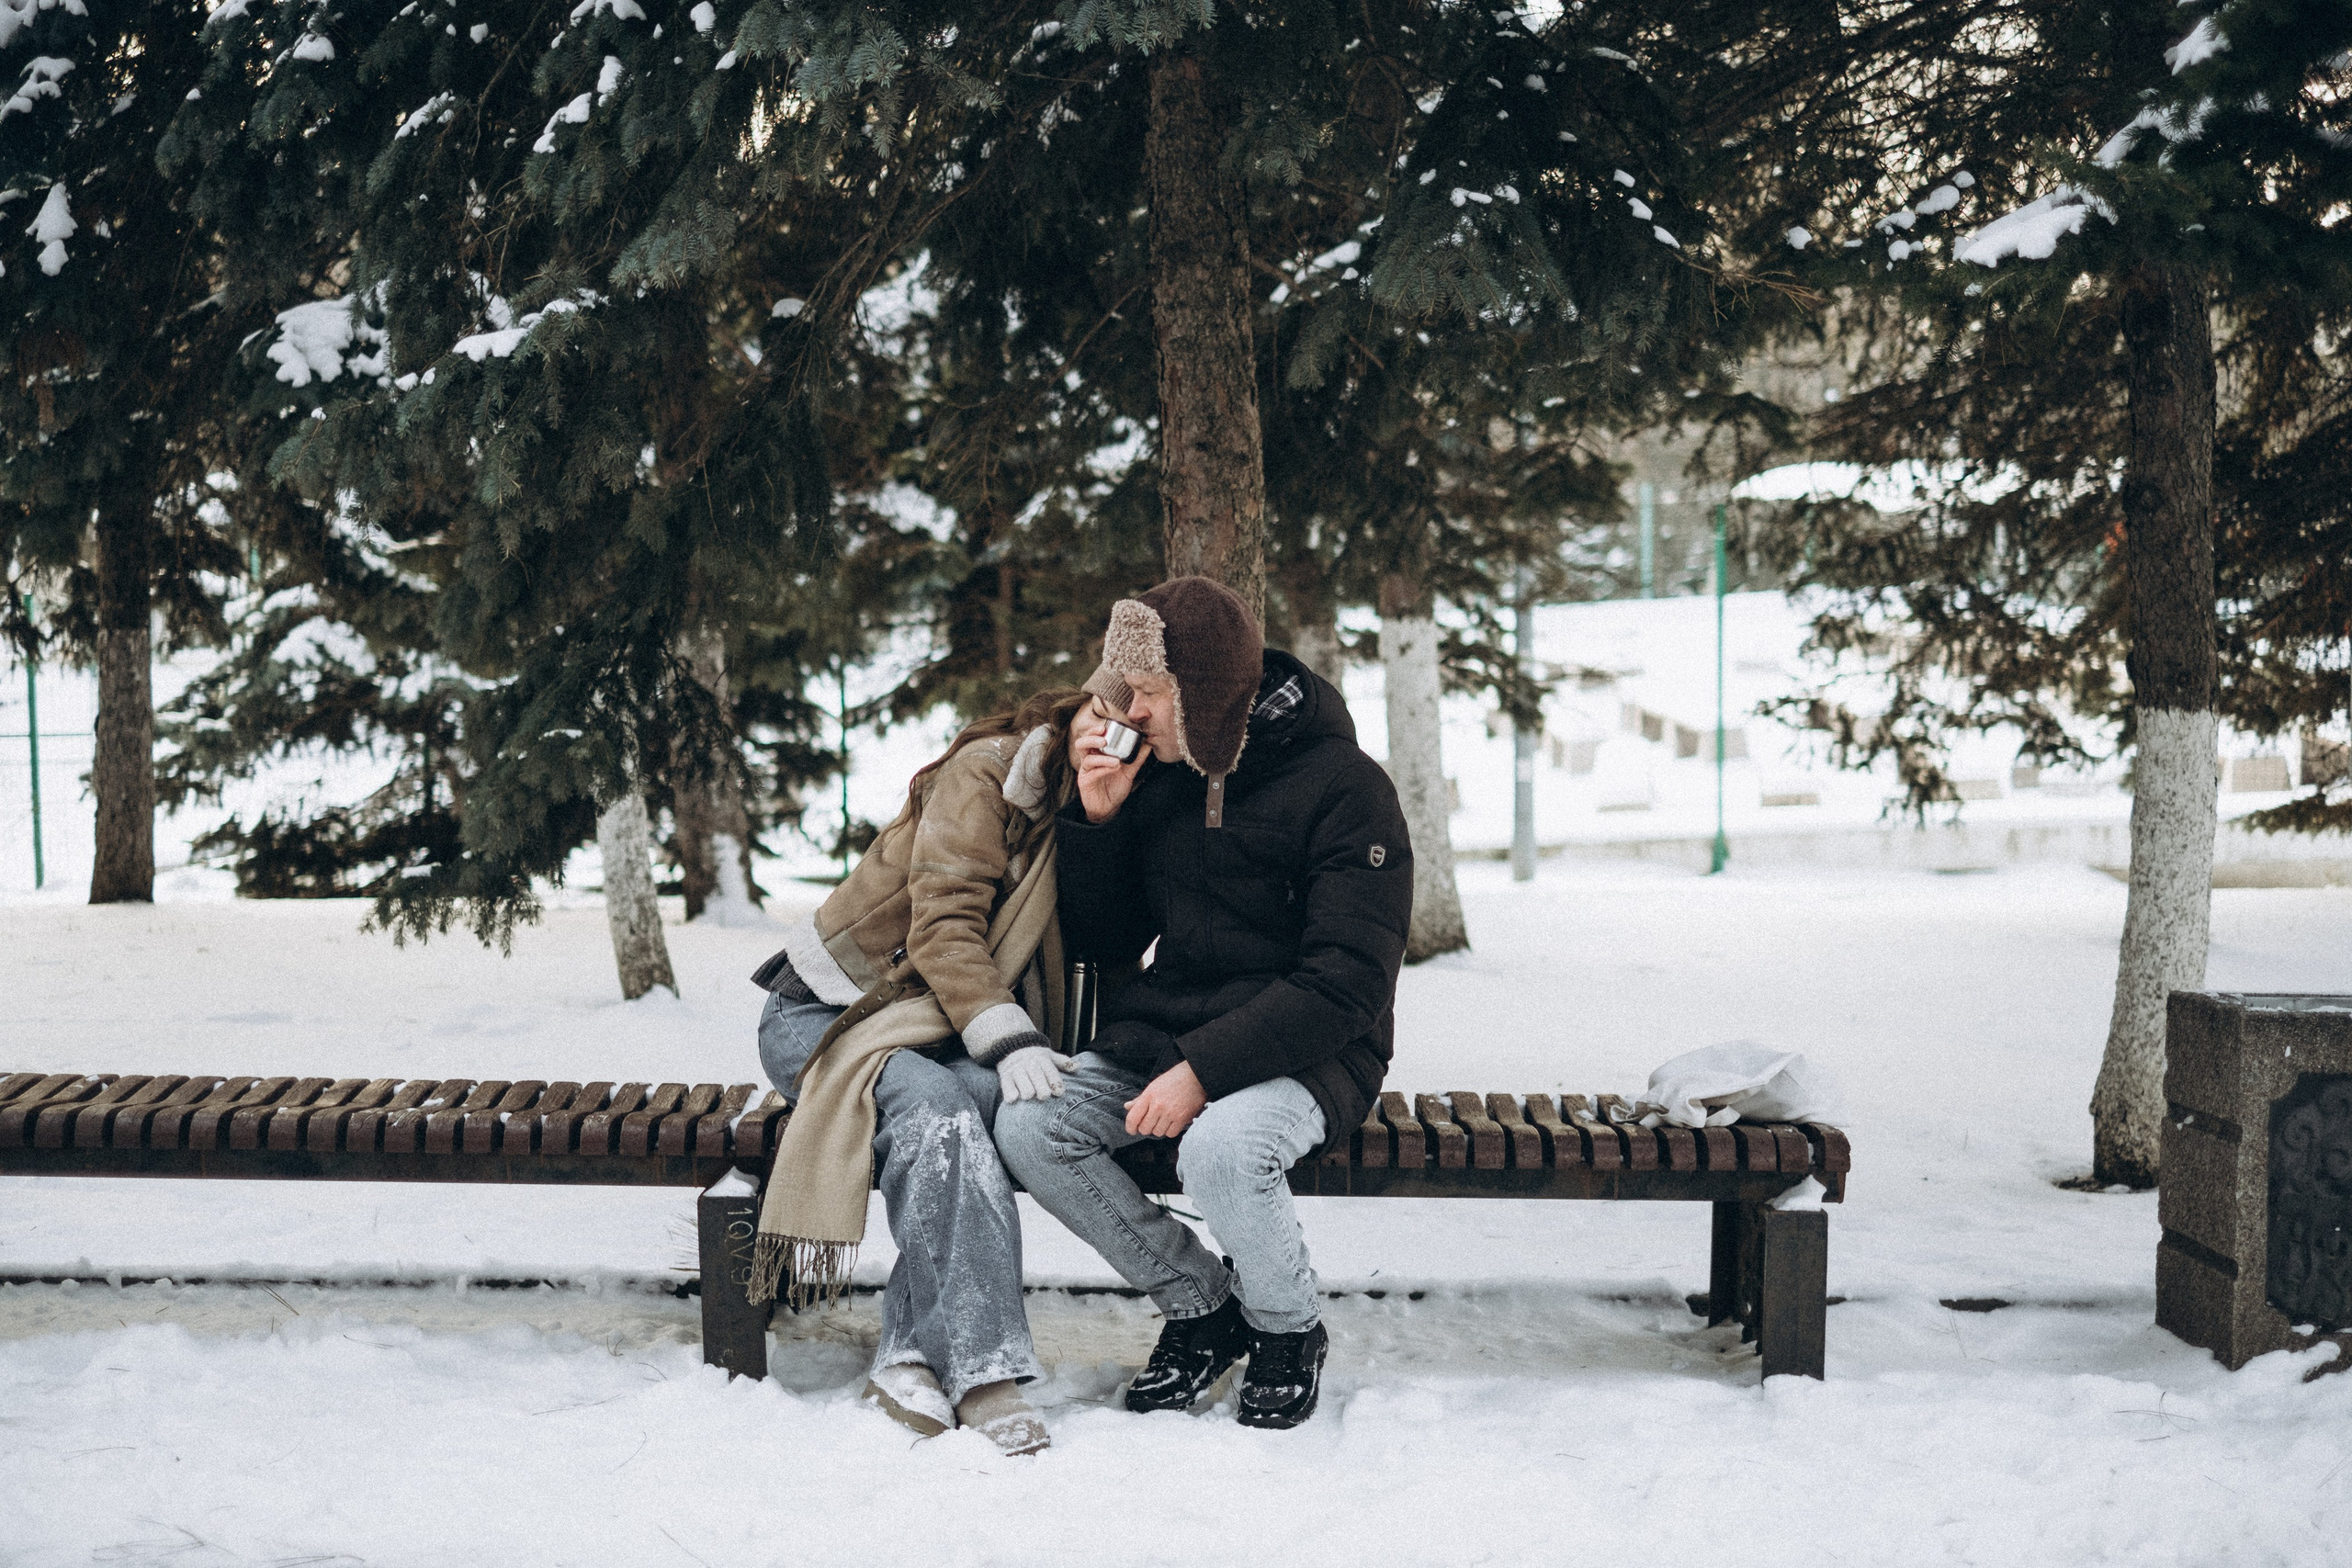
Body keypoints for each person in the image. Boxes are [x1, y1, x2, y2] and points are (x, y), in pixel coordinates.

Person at [995, 576, 1414, 1429]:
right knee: (1032, 1128)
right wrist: (1100, 824)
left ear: (1205, 694)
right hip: (1172, 1028)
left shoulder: (1347, 787)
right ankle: (1201, 1303)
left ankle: (1288, 1329)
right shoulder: (1166, 776)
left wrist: (1205, 1070)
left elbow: (1350, 980)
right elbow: (1109, 942)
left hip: (1315, 1049)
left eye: (1147, 691)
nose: (1129, 711)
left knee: (1221, 1149)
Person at [749, 687, 1104, 1457]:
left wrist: (1101, 815)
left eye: (1134, 731)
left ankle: (909, 1353)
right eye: (1100, 711)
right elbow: (943, 927)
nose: (1110, 737)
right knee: (942, 1109)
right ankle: (985, 1372)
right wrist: (1012, 1040)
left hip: (941, 1031)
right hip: (825, 1015)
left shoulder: (1090, 806)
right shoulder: (987, 775)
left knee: (964, 1117)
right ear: (1076, 703)